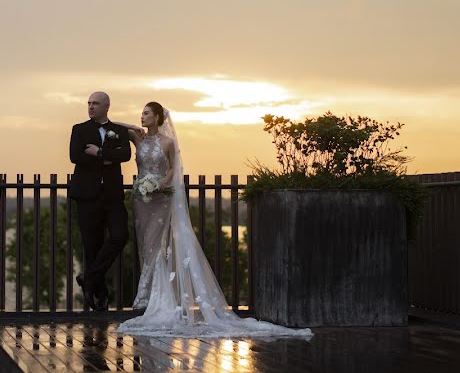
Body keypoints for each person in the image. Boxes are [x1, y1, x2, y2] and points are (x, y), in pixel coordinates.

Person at [112, 102, 312, 338]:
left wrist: (161, 183)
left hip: (160, 197)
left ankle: (150, 298)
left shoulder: (168, 143)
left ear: (157, 117)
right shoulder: (139, 139)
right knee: (146, 244)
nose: (142, 116)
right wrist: (136, 126)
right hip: (142, 200)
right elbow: (116, 125)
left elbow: (173, 171)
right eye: (142, 113)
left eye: (146, 113)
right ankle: (149, 295)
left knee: (158, 244)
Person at [67, 91, 132, 311]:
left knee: (120, 235)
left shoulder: (119, 131)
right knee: (91, 246)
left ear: (106, 106)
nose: (91, 106)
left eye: (95, 103)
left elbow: (125, 154)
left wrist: (100, 152)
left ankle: (89, 277)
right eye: (89, 103)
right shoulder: (79, 129)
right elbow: (75, 156)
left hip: (112, 196)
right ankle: (101, 297)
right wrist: (105, 158)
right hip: (87, 195)